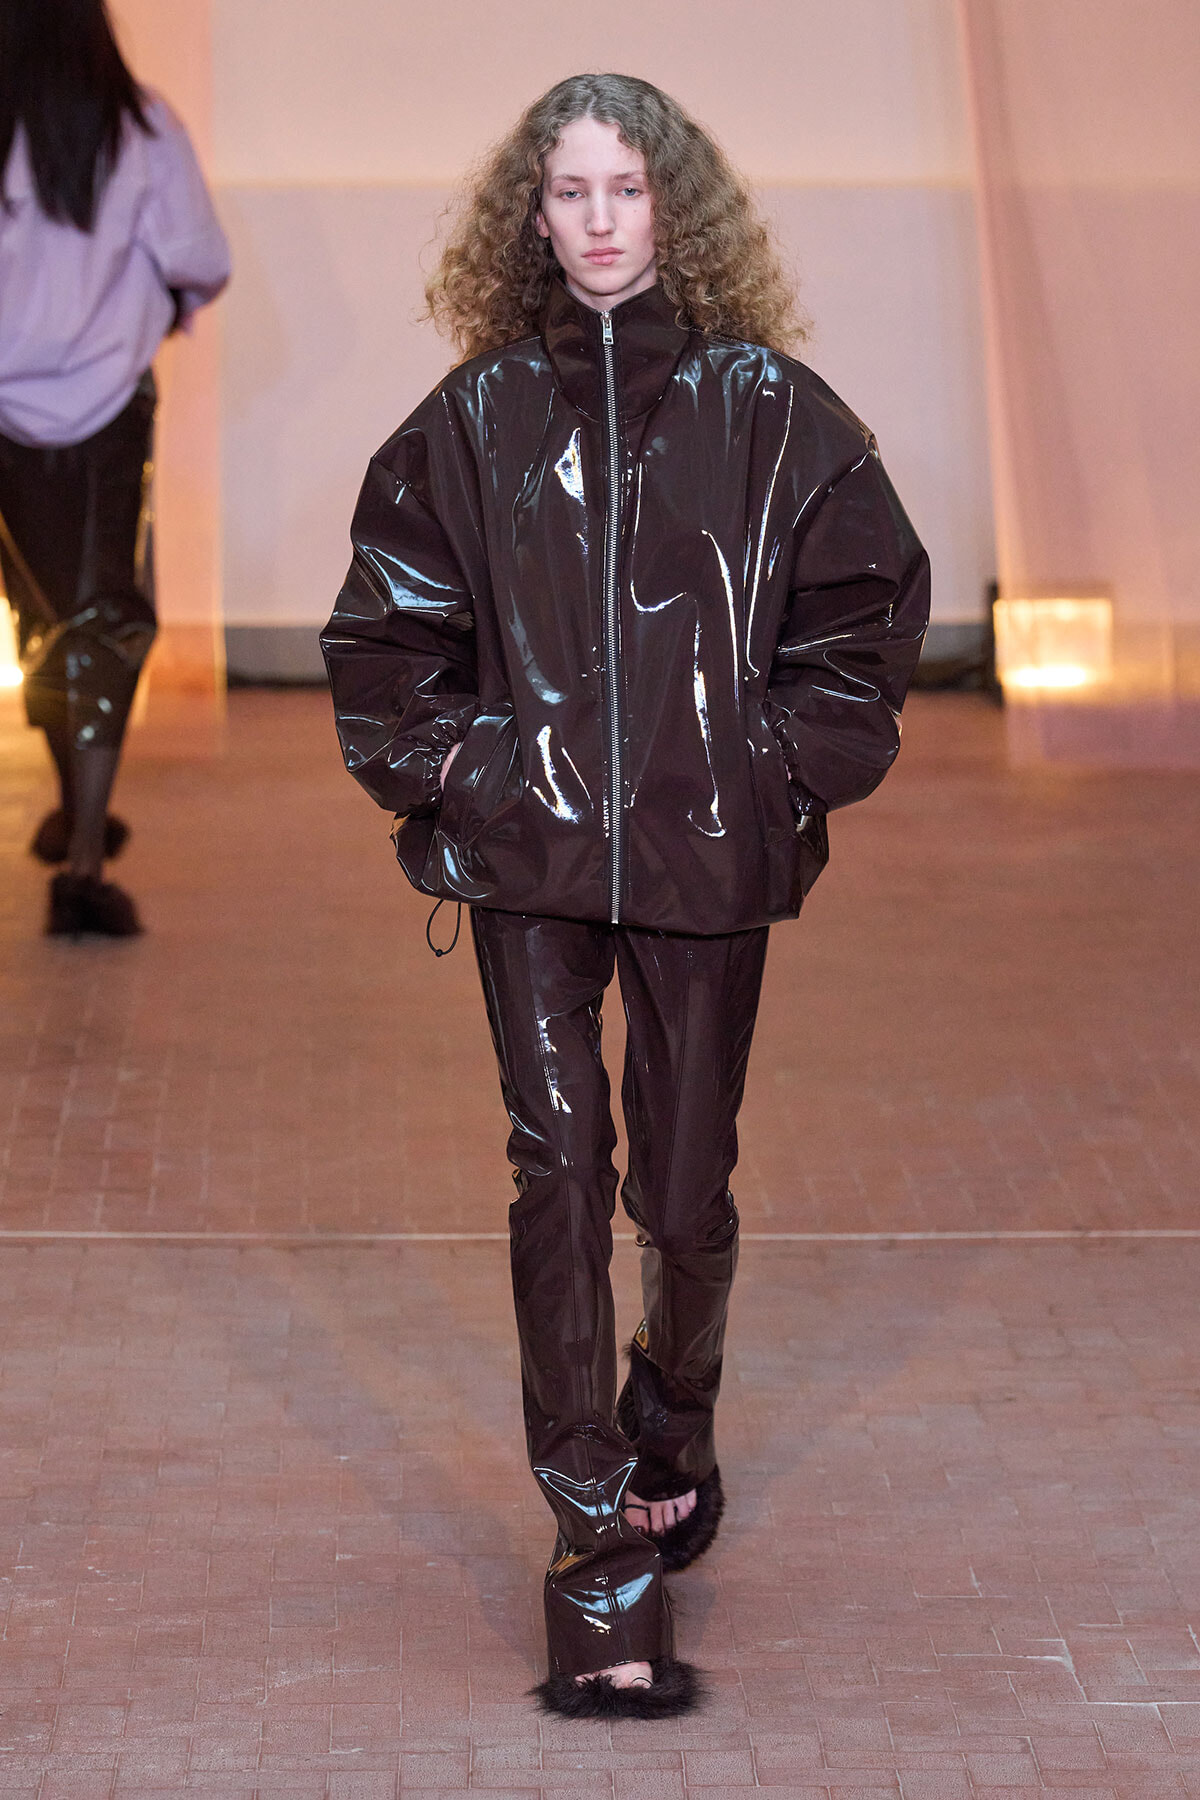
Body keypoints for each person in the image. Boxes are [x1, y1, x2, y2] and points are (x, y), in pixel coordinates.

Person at [322, 73, 930, 1718]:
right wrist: (476, 773)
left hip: (701, 857)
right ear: (532, 217)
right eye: (569, 192)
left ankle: (679, 1403)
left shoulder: (772, 414)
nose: (598, 220)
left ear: (677, 210)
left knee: (681, 1180)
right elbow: (384, 639)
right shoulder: (476, 421)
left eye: (626, 191)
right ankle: (599, 1555)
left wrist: (767, 768)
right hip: (527, 858)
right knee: (558, 1163)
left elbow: (867, 621)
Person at [0, 0, 229, 937]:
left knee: (43, 611)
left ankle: (70, 804)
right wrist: (159, 310)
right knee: (104, 617)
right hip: (104, 408)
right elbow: (198, 258)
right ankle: (85, 864)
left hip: (2, 413)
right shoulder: (142, 125)